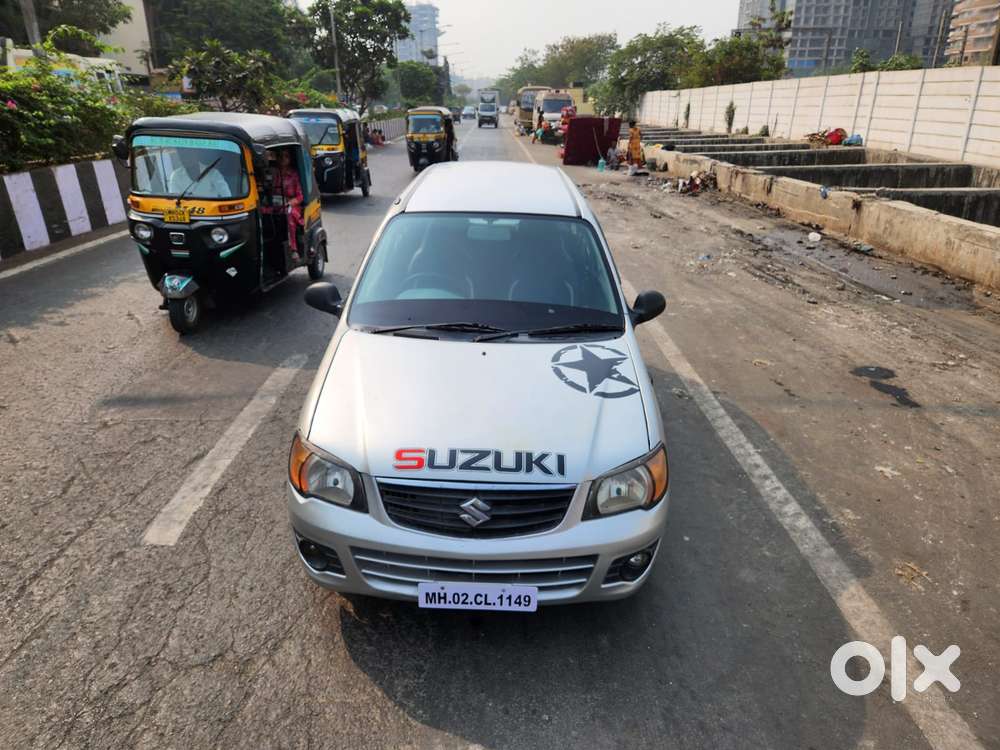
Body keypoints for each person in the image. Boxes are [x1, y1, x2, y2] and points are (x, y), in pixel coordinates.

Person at [268, 149, 305, 259]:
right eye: (280, 156)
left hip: (291, 205)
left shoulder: (294, 175)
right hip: (275, 203)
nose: (283, 159)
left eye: (286, 156)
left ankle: (293, 248)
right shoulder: (274, 173)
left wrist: (289, 203)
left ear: (290, 159)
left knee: (288, 214)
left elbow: (300, 197)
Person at [167, 149, 232, 197]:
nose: (184, 158)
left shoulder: (213, 173)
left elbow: (226, 195)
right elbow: (174, 199)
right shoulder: (176, 175)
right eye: (181, 155)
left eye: (188, 154)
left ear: (196, 154)